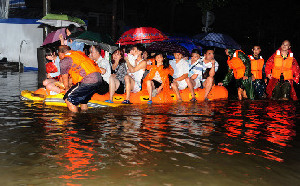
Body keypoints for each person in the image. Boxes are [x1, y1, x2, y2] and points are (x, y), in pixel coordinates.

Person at [58, 45, 102, 112]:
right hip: (98, 79)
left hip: (88, 80)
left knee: (68, 99)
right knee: (83, 100)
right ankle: (84, 117)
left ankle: (74, 120)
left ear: (61, 53)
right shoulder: (78, 54)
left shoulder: (65, 60)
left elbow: (65, 78)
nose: (59, 57)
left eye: (59, 55)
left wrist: (67, 88)